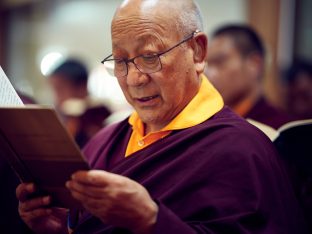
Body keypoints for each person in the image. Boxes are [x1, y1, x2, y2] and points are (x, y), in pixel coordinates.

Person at [16, 0, 308, 233]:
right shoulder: (104, 141)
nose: (134, 79)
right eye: (120, 61)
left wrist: (151, 221)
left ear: (197, 52)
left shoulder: (243, 150)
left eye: (149, 56)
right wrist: (63, 226)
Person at [205, 24, 293, 129]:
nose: (209, 73)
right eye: (208, 64)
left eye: (220, 62)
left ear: (254, 64)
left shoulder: (278, 127)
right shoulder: (210, 121)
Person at [47, 59, 111, 147]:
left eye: (60, 89)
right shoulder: (62, 117)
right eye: (55, 90)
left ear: (82, 87)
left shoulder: (98, 115)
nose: (57, 97)